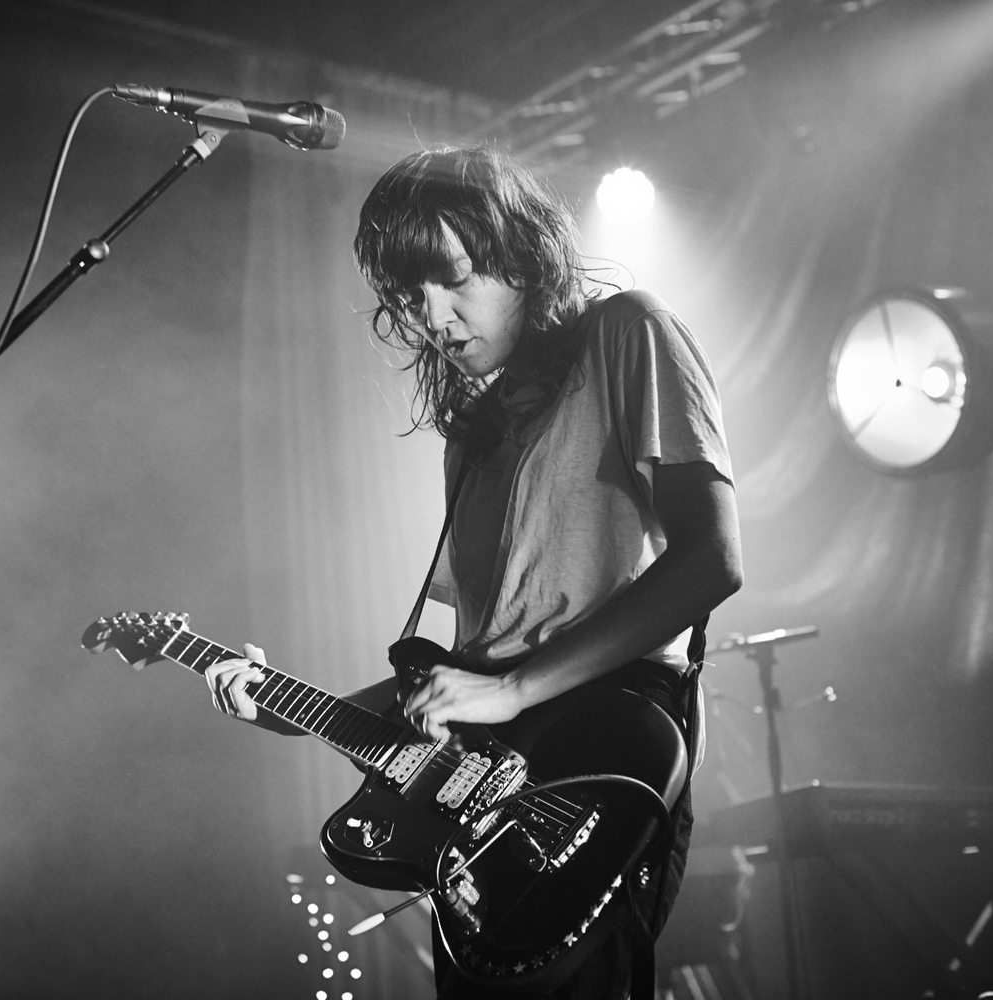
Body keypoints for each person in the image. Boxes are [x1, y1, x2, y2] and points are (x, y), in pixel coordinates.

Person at [206, 145, 742, 999]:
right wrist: (283, 704)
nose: (434, 317)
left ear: (520, 254)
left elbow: (712, 559)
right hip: (493, 784)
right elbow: (474, 674)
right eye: (408, 299)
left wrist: (516, 691)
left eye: (452, 279)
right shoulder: (473, 433)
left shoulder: (628, 331)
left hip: (607, 742)